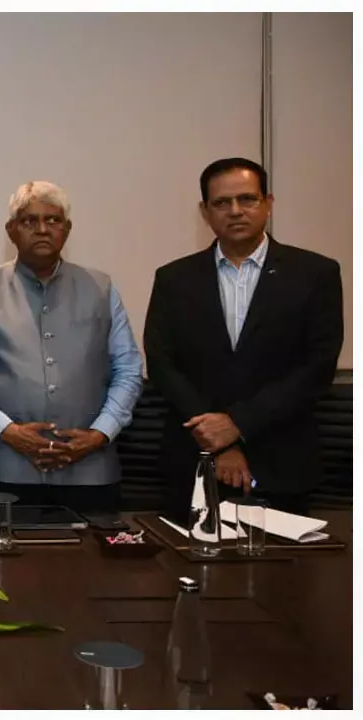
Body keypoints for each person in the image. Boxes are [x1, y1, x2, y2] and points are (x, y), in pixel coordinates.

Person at [144, 158, 343, 520]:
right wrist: (217, 440)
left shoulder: (316, 274)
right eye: (221, 202)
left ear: (268, 203)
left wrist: (238, 425)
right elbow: (161, 363)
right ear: (205, 211)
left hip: (282, 462)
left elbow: (317, 367)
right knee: (186, 558)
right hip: (193, 464)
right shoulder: (174, 279)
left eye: (247, 199)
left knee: (283, 559)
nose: (235, 211)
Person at [0, 181, 144, 513]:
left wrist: (99, 434)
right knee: (1, 550)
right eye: (29, 221)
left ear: (67, 229)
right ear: (11, 230)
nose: (42, 229)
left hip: (90, 471)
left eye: (53, 220)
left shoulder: (101, 288)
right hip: (1, 470)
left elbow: (128, 370)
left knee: (95, 550)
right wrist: (9, 432)